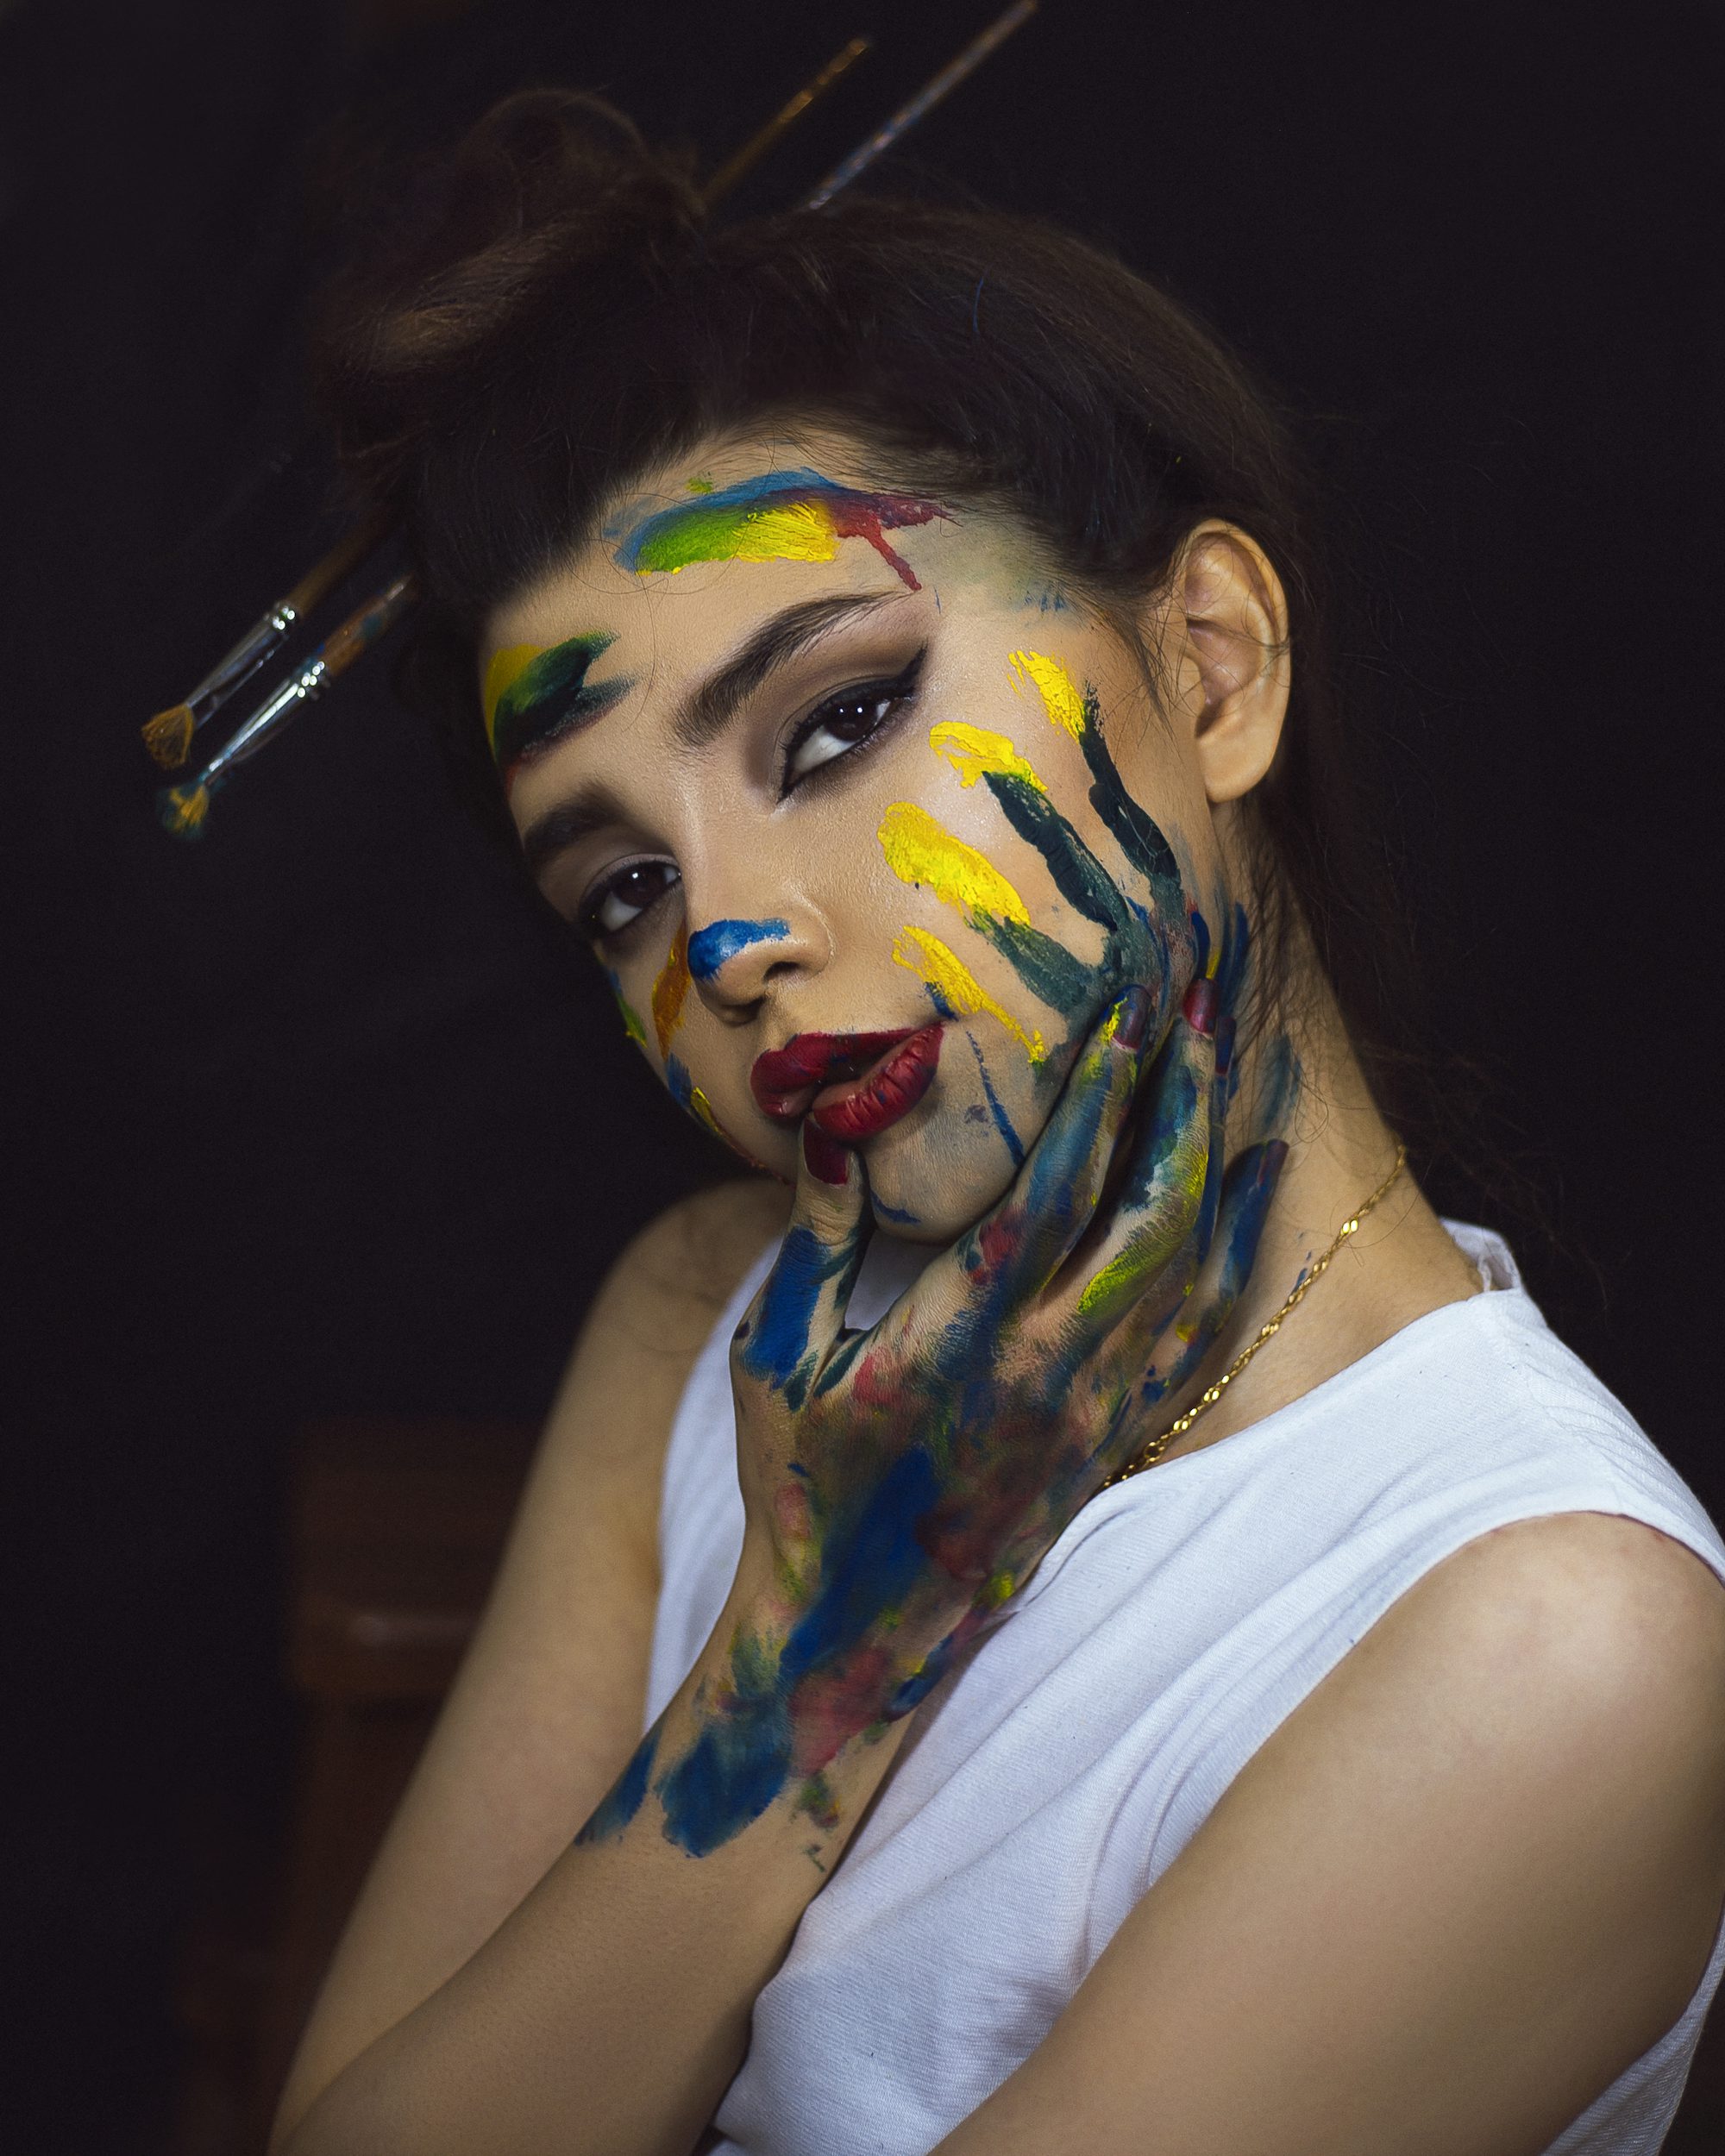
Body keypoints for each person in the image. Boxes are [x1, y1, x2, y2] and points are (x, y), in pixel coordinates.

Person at [268, 91, 1725, 2156]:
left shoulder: (1549, 1637)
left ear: (1212, 665)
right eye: (623, 888)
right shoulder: (707, 1313)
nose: (737, 933)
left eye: (838, 716)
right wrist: (807, 1667)